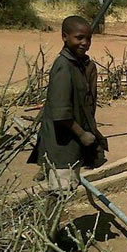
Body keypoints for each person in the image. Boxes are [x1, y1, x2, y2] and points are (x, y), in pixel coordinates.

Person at [29, 16, 108, 191]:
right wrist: (82, 134)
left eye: (88, 39)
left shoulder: (81, 65)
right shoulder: (63, 66)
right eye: (79, 38)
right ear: (65, 37)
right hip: (62, 144)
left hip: (72, 140)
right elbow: (60, 112)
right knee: (61, 190)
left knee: (68, 186)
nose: (85, 43)